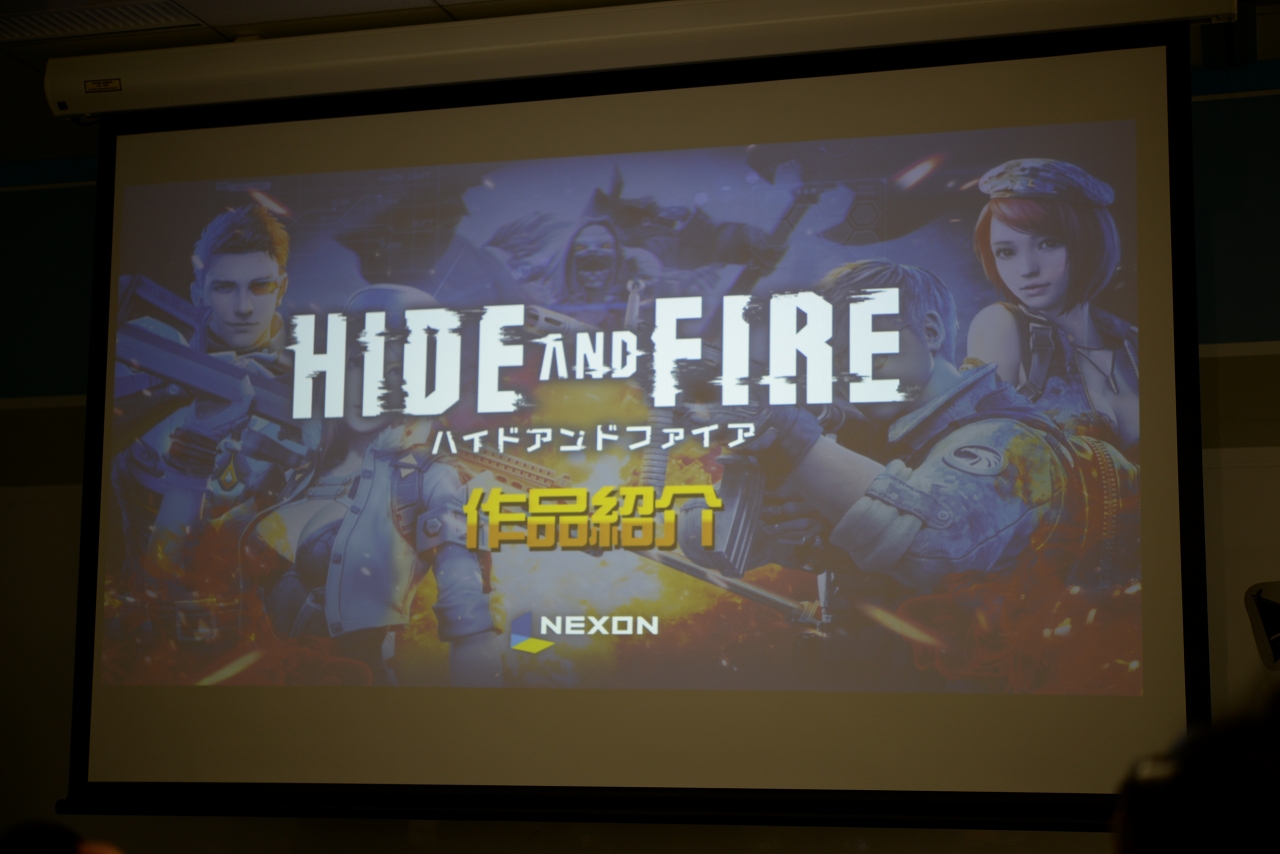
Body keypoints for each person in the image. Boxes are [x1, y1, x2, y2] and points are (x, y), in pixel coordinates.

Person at [685, 260, 1140, 692]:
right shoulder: (866, 442)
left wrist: (790, 436)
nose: (848, 369)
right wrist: (778, 523)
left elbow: (932, 545)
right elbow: (702, 537)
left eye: (864, 343)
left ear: (931, 331)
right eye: (834, 355)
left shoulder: (1011, 439)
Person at [249, 285, 501, 687]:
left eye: (396, 370)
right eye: (358, 361)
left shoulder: (430, 479)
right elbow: (183, 567)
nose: (372, 383)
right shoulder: (295, 470)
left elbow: (471, 629)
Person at [109, 205, 316, 658]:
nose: (243, 308)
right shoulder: (147, 358)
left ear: (281, 288)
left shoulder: (317, 384)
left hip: (272, 645)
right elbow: (159, 565)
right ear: (197, 291)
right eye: (224, 287)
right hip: (146, 640)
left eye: (260, 286)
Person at [965, 158, 1139, 458]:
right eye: (1005, 252)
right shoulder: (1001, 324)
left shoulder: (1133, 340)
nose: (1027, 269)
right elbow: (981, 457)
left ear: (1091, 242)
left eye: (1048, 243)